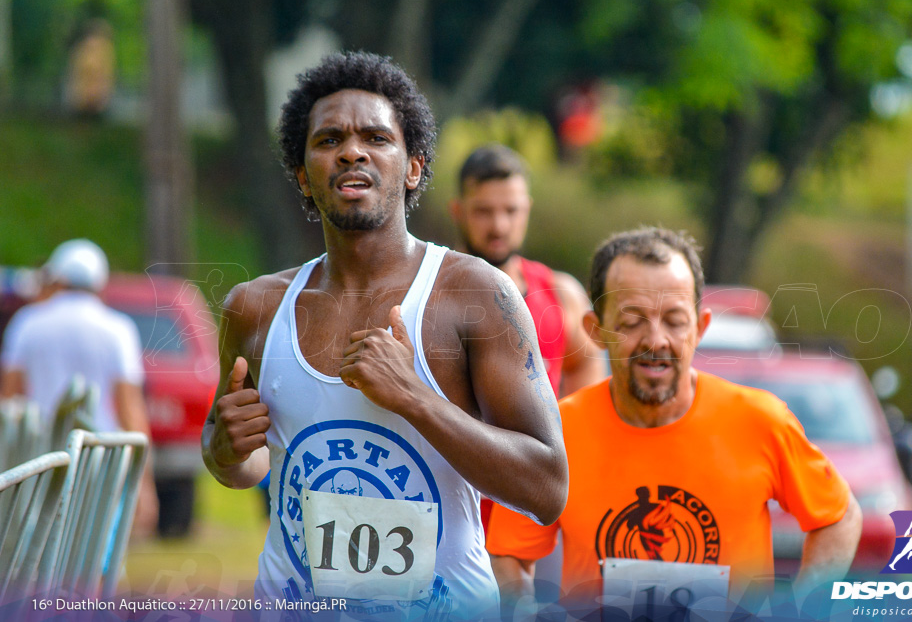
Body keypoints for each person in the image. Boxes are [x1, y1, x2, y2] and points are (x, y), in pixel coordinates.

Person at [202, 52, 568, 620]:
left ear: (414, 167)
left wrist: (416, 398)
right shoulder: (253, 308)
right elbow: (243, 463)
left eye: (376, 136)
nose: (352, 150)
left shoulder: (475, 294)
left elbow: (547, 488)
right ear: (302, 173)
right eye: (328, 140)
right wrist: (223, 450)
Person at [486, 227, 862, 615]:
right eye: (632, 321)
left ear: (700, 327)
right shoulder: (556, 433)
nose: (656, 340)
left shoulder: (760, 420)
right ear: (595, 331)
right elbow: (507, 554)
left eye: (675, 320)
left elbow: (840, 517)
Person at [0, 238, 158, 534]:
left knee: (36, 559)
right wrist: (144, 485)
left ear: (58, 277)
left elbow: (8, 400)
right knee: (93, 562)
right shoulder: (117, 329)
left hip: (39, 460)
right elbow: (130, 408)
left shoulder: (27, 323)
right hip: (99, 460)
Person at [448, 144, 605, 398]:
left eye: (511, 211)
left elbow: (585, 368)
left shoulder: (562, 294)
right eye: (483, 211)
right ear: (457, 211)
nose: (499, 226)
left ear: (527, 209)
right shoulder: (428, 290)